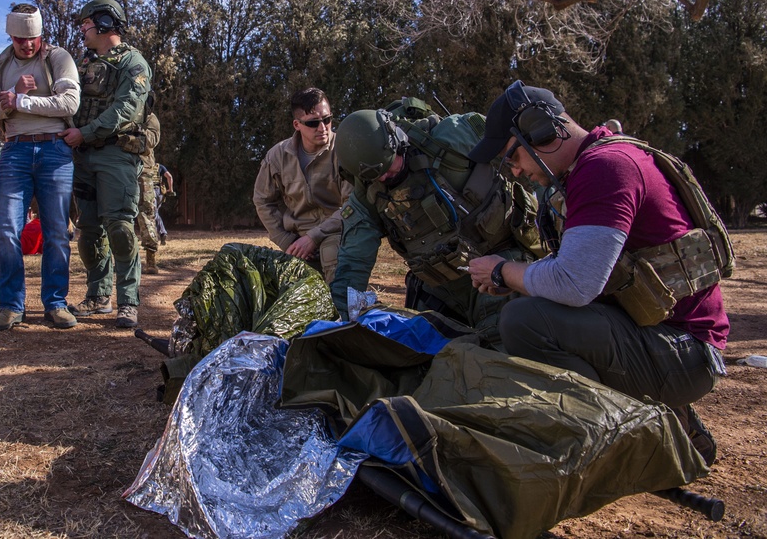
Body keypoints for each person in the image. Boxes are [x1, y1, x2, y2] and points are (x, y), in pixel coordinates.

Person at [466, 80, 729, 465]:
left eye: (512, 157)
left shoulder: (604, 169)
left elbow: (575, 283)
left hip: (685, 353)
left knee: (525, 322)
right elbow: (587, 273)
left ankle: (618, 439)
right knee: (533, 308)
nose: (517, 171)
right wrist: (519, 280)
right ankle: (666, 417)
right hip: (669, 339)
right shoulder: (600, 162)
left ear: (540, 129)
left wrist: (505, 272)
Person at [332, 103, 543, 344]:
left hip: (500, 262)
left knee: (503, 349)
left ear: (397, 140)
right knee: (422, 353)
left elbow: (527, 150)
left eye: (388, 167)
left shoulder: (453, 136)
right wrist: (344, 322)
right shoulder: (368, 195)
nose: (384, 178)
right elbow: (353, 262)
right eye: (374, 176)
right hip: (442, 287)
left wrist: (551, 202)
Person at [0, 4, 80, 331]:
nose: (28, 45)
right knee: (6, 231)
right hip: (15, 150)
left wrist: (20, 101)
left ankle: (56, 304)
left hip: (54, 150)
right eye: (20, 39)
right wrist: (7, 99)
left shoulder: (58, 58)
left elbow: (70, 102)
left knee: (57, 233)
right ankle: (10, 306)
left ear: (40, 34)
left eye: (33, 37)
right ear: (10, 35)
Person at [61, 0, 153, 328]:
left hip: (116, 155)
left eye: (85, 24)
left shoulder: (133, 63)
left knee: (120, 227)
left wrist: (83, 133)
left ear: (103, 23)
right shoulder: (81, 65)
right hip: (83, 157)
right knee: (88, 229)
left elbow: (126, 110)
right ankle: (98, 295)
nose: (82, 30)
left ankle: (128, 300)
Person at [253, 88, 352, 283]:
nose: (323, 128)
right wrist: (286, 240)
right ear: (297, 124)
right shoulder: (277, 156)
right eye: (313, 123)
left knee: (333, 256)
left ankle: (343, 309)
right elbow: (263, 200)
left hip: (337, 231)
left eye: (327, 119)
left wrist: (314, 237)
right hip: (297, 236)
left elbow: (353, 204)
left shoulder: (344, 150)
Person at [132, 113, 162, 275]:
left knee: (146, 214)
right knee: (120, 215)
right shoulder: (120, 109)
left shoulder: (150, 118)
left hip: (144, 172)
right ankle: (126, 259)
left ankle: (151, 260)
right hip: (121, 168)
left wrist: (133, 129)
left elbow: (151, 141)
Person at [156, 164, 173, 245]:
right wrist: (170, 189)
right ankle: (161, 233)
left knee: (152, 213)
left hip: (147, 192)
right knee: (154, 213)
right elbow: (169, 177)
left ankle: (162, 232)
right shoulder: (159, 166)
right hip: (159, 192)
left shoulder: (141, 165)